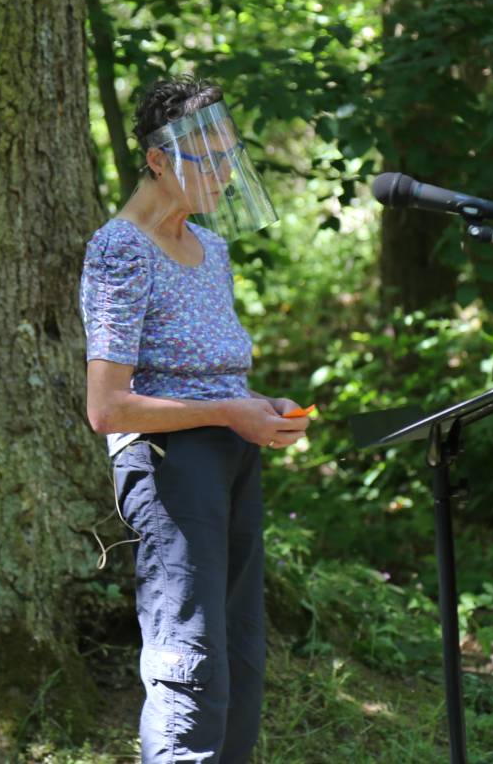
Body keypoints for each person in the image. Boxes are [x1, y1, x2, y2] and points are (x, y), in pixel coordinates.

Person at [80, 76, 313, 763]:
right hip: (168, 470)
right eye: (207, 155)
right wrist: (226, 412)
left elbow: (215, 373)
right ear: (157, 160)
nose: (224, 171)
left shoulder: (214, 251)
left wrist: (260, 408)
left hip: (234, 460)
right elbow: (105, 408)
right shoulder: (121, 248)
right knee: (191, 660)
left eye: (230, 154)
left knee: (241, 655)